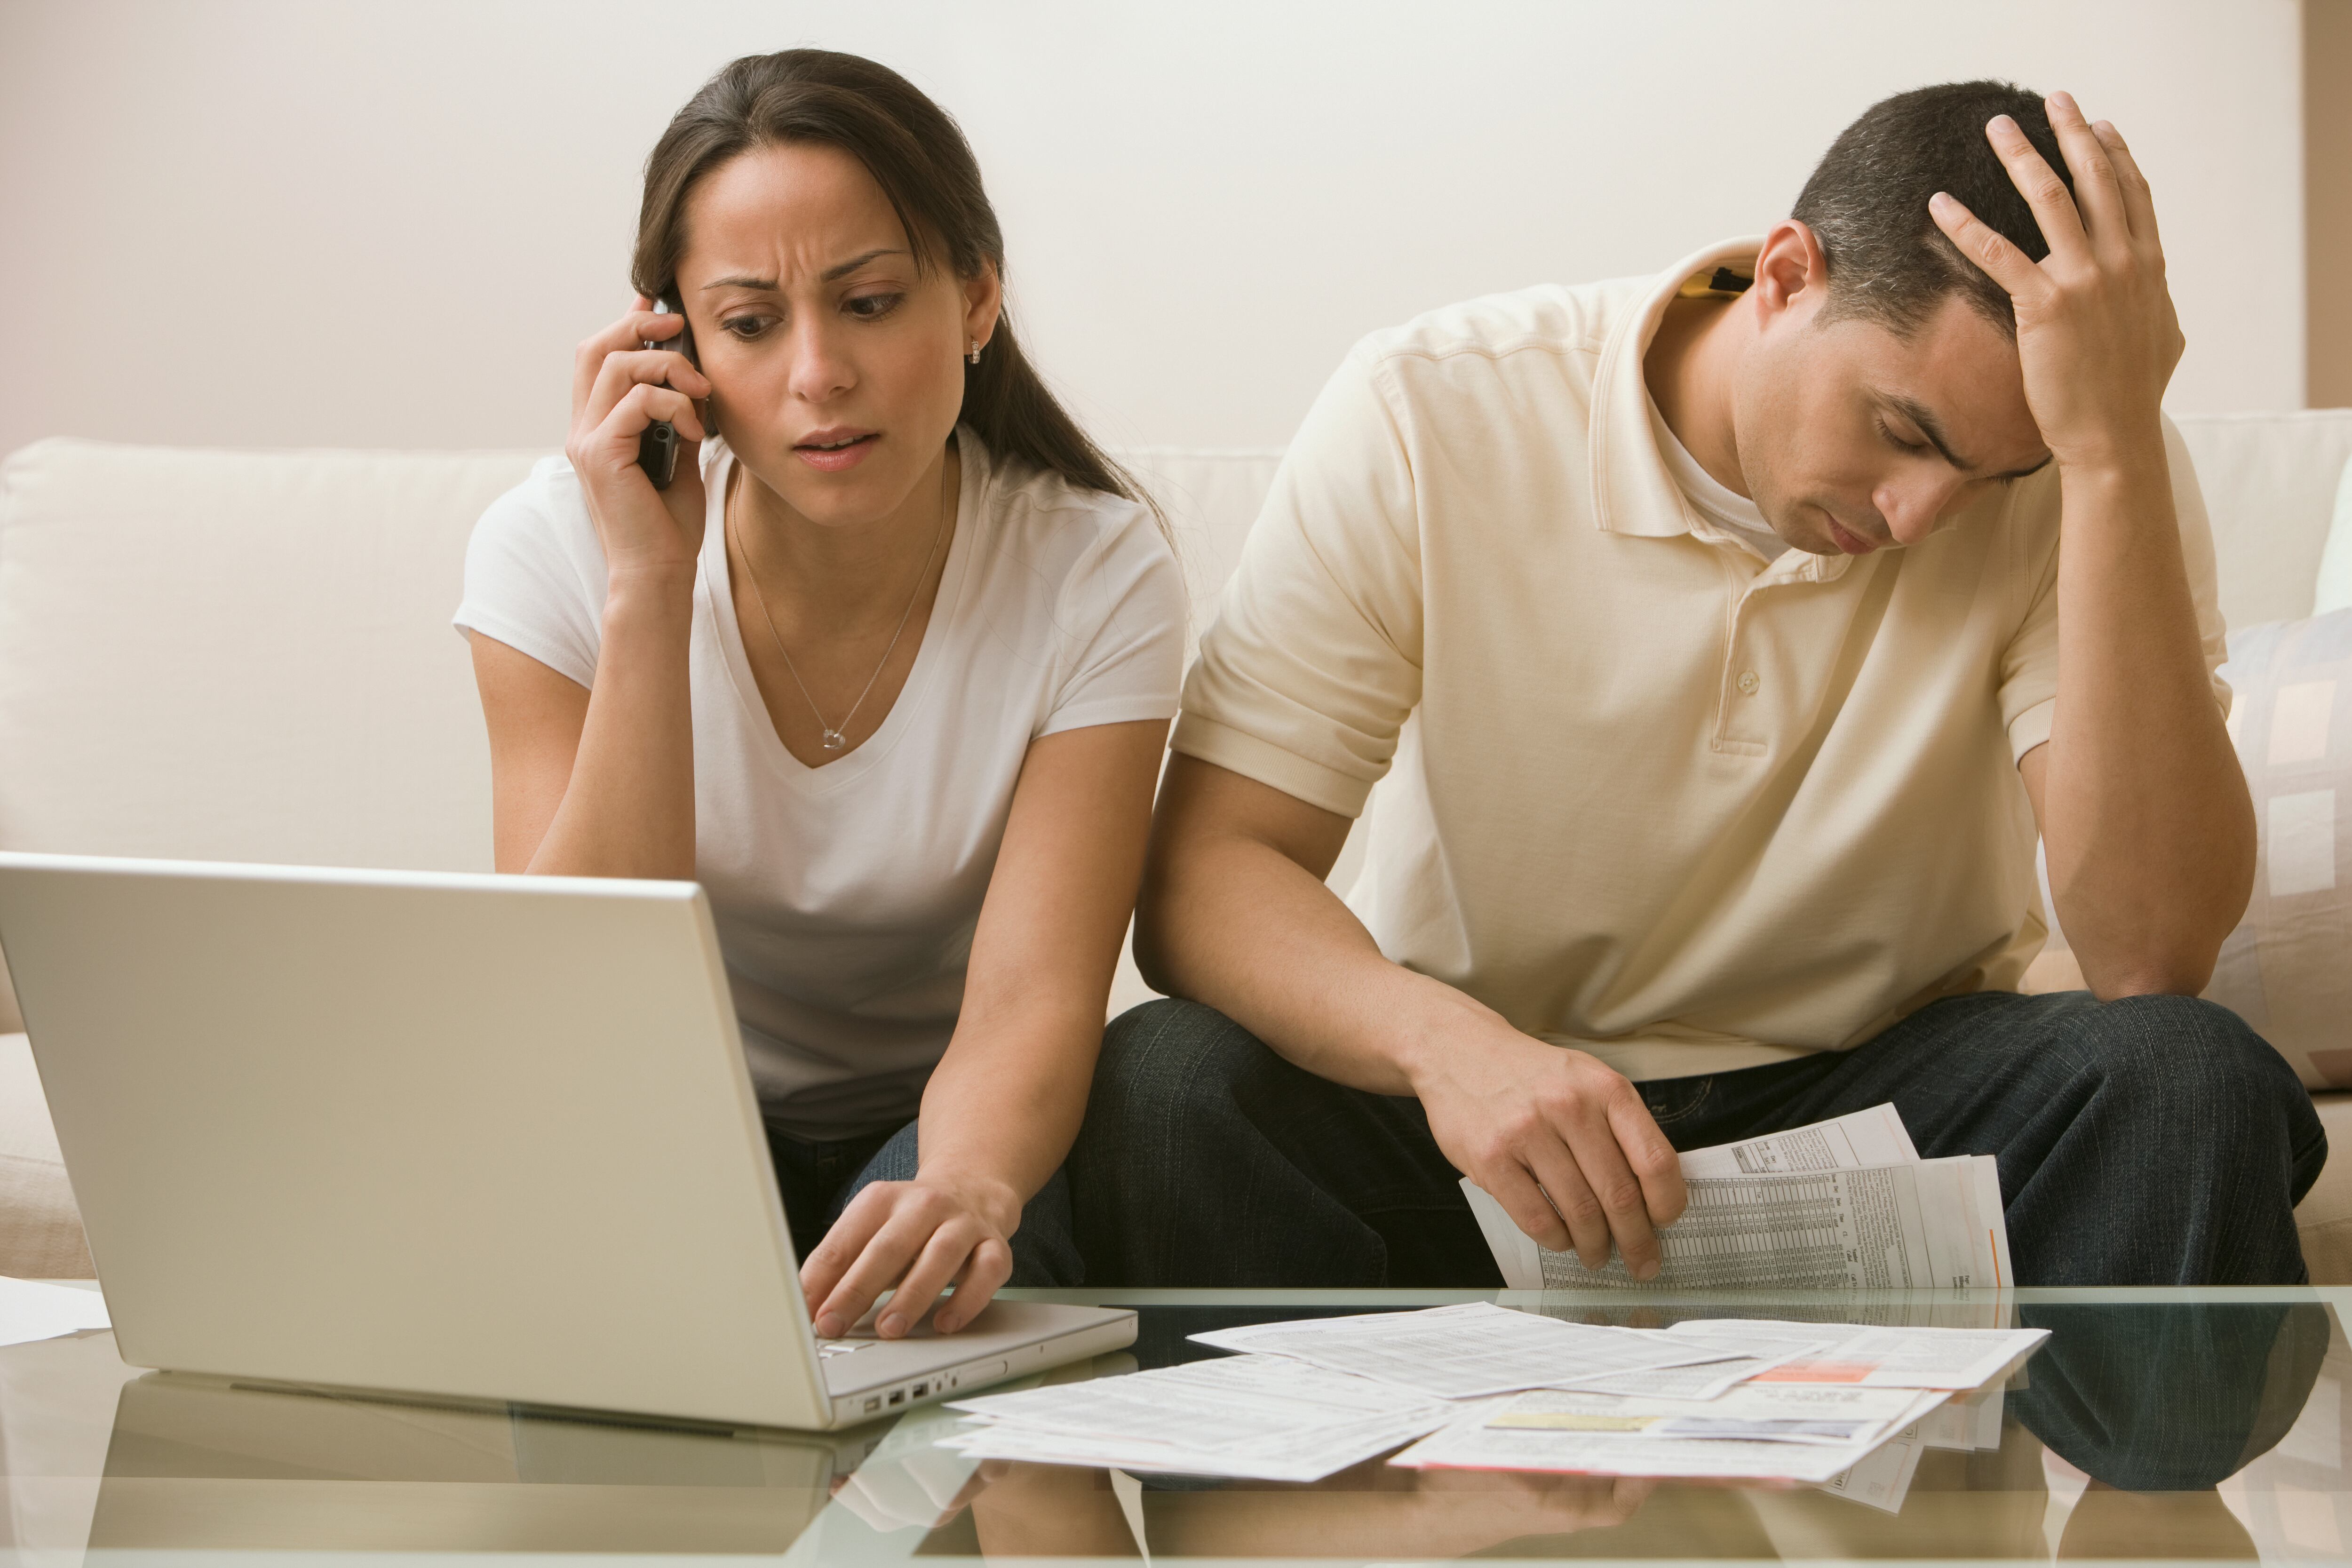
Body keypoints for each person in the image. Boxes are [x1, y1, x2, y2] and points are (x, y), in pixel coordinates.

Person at [1073, 81, 2324, 1288]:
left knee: (2182, 1076)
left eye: (1993, 477)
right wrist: (1454, 1054)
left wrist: (2105, 458)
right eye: (1903, 434)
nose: (1919, 517)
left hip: (1884, 1096)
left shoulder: (2088, 469)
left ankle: (2149, 1520)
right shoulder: (1433, 409)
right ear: (1783, 278)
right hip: (1495, 1109)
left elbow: (2151, 952)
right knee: (1168, 1082)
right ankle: (1331, 1498)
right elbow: (1207, 875)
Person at [454, 49, 1185, 1338]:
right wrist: (647, 584)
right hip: (657, 1124)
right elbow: (574, 1002)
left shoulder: (1093, 569)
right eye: (749, 323)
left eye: (870, 302)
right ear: (669, 342)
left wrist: (962, 1186)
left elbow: (1036, 995)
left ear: (974, 301)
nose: (817, 376)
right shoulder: (551, 550)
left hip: (939, 1122)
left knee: (967, 1266)